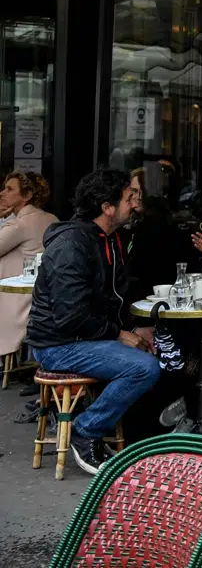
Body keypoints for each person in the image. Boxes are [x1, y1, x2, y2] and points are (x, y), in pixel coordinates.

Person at [27, 169, 157, 474]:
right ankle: (87, 430)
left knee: (157, 348)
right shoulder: (72, 245)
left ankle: (139, 432)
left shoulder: (108, 239)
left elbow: (112, 298)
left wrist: (133, 328)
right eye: (128, 199)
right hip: (58, 344)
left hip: (84, 337)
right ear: (106, 206)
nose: (134, 205)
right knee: (143, 368)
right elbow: (71, 316)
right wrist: (120, 334)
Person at [0, 172, 57, 364]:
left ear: (27, 196)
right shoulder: (52, 218)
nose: (2, 193)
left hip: (16, 297)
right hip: (44, 294)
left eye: (9, 189)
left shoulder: (19, 224)